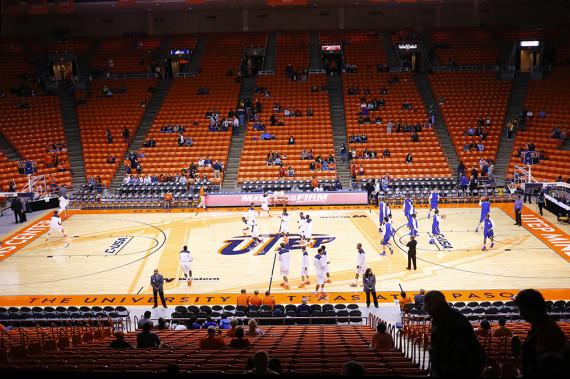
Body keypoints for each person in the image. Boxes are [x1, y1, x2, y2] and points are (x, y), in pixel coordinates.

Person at [423, 290, 486, 377]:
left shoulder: (457, 322)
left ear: (438, 307)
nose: (429, 313)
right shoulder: (437, 320)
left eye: (429, 309)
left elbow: (469, 355)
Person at [515, 289, 567, 377]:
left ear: (530, 309)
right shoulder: (542, 326)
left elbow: (550, 369)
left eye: (521, 309)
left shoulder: (547, 331)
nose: (520, 313)